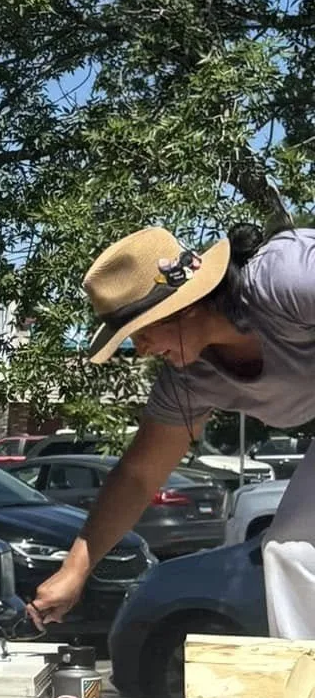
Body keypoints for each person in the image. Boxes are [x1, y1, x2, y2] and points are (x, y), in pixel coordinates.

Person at [31, 222, 315, 646]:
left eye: (143, 330)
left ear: (185, 304)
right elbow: (139, 475)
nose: (141, 349)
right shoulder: (191, 379)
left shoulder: (285, 278)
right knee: (291, 552)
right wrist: (74, 571)